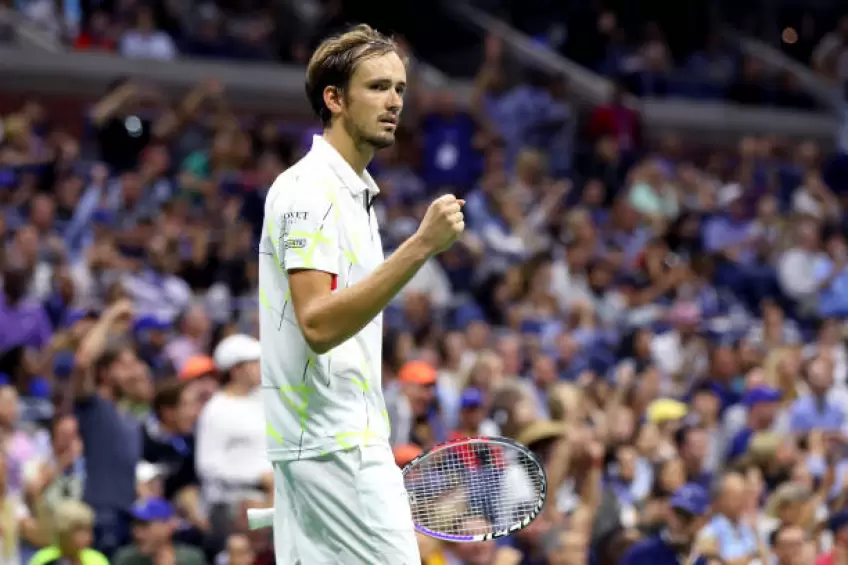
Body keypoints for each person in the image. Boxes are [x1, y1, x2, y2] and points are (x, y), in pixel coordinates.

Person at [257, 23, 466, 564]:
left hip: (324, 445)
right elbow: (319, 324)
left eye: (399, 88)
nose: (394, 100)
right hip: (335, 446)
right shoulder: (310, 192)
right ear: (335, 98)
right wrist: (421, 247)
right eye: (377, 87)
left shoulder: (355, 196)